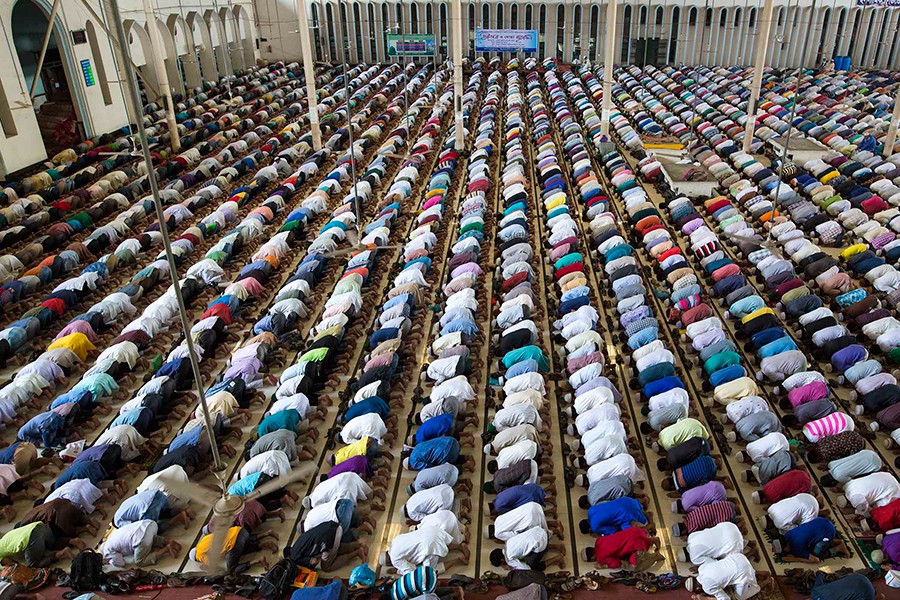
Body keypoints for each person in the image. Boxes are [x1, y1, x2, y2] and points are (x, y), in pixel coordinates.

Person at [190, 525, 278, 572]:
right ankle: (266, 536)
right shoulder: (203, 540)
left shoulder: (198, 555)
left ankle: (258, 560)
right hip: (240, 530)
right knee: (237, 550)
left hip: (235, 543)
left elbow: (214, 567)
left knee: (231, 569)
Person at [100, 519, 181, 567]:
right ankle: (167, 541)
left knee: (139, 562)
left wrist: (110, 561)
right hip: (150, 524)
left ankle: (166, 549)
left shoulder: (107, 551)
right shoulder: (112, 535)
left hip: (142, 538)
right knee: (150, 538)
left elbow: (121, 563)